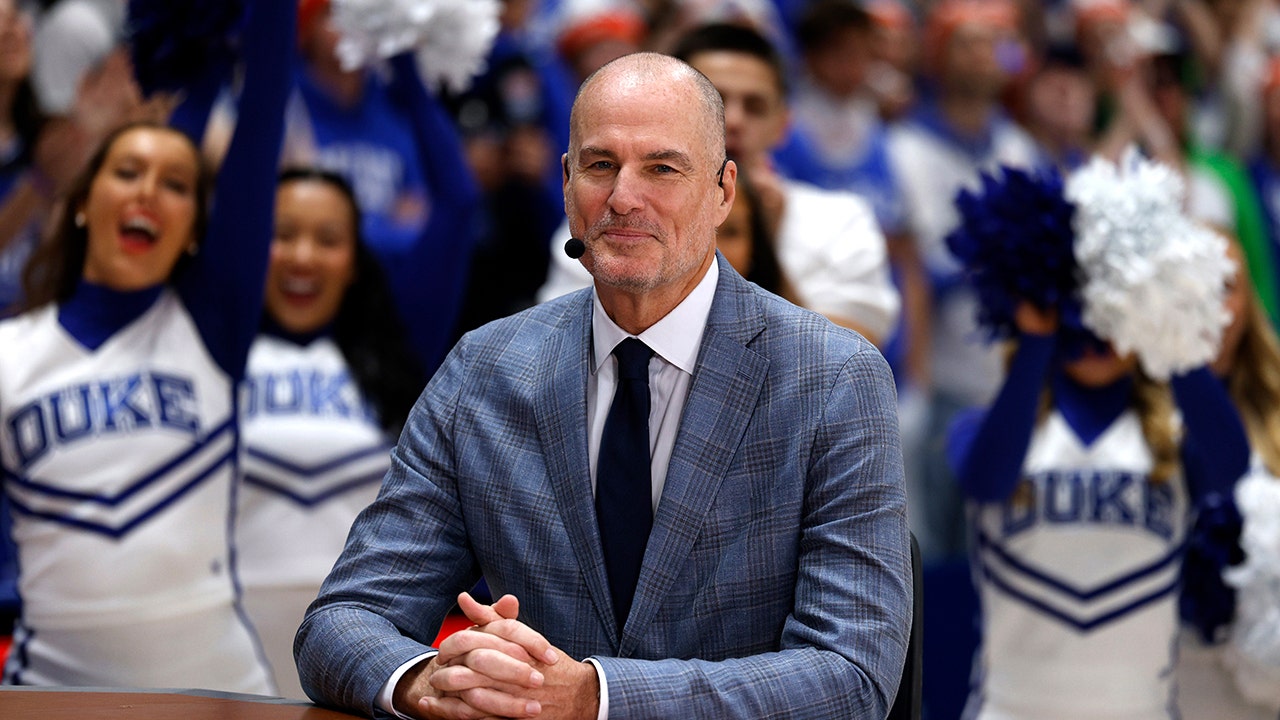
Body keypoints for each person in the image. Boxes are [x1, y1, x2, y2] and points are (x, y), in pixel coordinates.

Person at [295, 51, 911, 719]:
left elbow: (852, 676)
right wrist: (429, 682)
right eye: (599, 165)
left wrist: (596, 698)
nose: (622, 198)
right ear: (566, 184)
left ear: (724, 191)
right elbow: (344, 617)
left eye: (662, 168)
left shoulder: (833, 378)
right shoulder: (483, 369)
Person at [0, 0, 291, 690]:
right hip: (49, 694)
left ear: (194, 230)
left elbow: (263, 110)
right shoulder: (9, 351)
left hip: (225, 695)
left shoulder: (210, 326)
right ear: (83, 201)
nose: (149, 195)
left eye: (176, 186)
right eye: (127, 173)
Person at [539, 23, 901, 350]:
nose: (735, 120)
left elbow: (851, 357)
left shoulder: (841, 220)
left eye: (755, 106)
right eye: (717, 100)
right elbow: (560, 341)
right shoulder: (613, 216)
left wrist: (765, 244)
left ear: (783, 124)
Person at [235, 168, 424, 700]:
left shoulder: (393, 360)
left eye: (328, 239)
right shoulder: (210, 354)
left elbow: (456, 202)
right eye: (281, 234)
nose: (303, 257)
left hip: (360, 643)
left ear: (355, 260)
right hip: (223, 640)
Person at [1175, 232, 1280, 720]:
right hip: (1174, 668)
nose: (1212, 307)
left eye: (1226, 287)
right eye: (1193, 289)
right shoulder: (1142, 413)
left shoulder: (1276, 404)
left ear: (1248, 300)